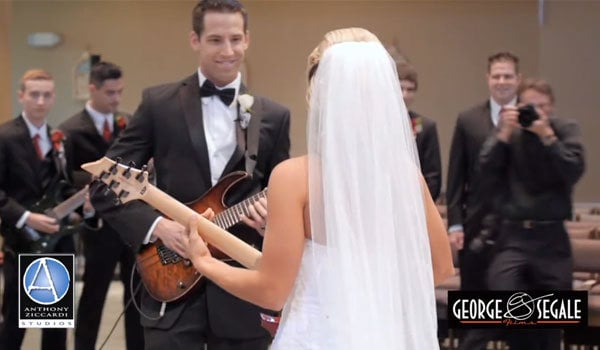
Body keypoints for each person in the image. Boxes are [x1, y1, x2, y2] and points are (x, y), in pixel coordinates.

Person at [184, 27, 455, 349]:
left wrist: (204, 262)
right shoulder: (407, 176)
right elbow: (439, 269)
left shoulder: (294, 178)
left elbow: (271, 291)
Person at [89, 1, 291, 349]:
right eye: (215, 40)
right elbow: (105, 183)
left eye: (235, 39)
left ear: (247, 40)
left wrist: (270, 222)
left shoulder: (275, 115)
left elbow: (281, 199)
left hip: (242, 294)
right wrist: (159, 228)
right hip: (170, 284)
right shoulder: (159, 104)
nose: (227, 51)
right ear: (195, 40)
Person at [480, 78, 585, 350]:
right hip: (514, 236)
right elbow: (485, 172)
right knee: (504, 293)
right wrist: (502, 134)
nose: (536, 112)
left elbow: (573, 170)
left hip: (552, 237)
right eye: (529, 106)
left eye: (542, 106)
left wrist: (547, 135)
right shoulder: (509, 133)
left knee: (551, 318)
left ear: (552, 108)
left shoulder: (564, 129)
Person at [59, 61, 144, 350]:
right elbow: (63, 179)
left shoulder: (128, 123)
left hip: (131, 224)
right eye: (110, 93)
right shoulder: (69, 131)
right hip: (98, 228)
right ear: (91, 89)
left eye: (120, 92)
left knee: (136, 297)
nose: (116, 99)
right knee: (93, 296)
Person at [445, 51, 521, 349]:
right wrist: (455, 224)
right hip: (476, 227)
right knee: (475, 308)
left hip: (519, 229)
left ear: (518, 79)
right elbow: (455, 177)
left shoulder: (530, 119)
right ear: (487, 79)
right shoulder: (468, 119)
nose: (502, 81)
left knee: (520, 311)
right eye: (497, 76)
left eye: (508, 76)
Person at [0, 69, 74, 350]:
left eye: (46, 95)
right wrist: (27, 218)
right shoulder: (5, 137)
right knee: (13, 325)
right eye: (34, 94)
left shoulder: (59, 139)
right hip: (21, 242)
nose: (40, 101)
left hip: (57, 242)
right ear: (22, 96)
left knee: (55, 325)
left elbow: (63, 184)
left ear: (54, 98)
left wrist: (83, 204)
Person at [396, 62, 442, 200]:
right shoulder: (375, 124)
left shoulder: (425, 126)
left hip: (415, 203)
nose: (404, 95)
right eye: (400, 88)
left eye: (410, 90)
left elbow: (433, 176)